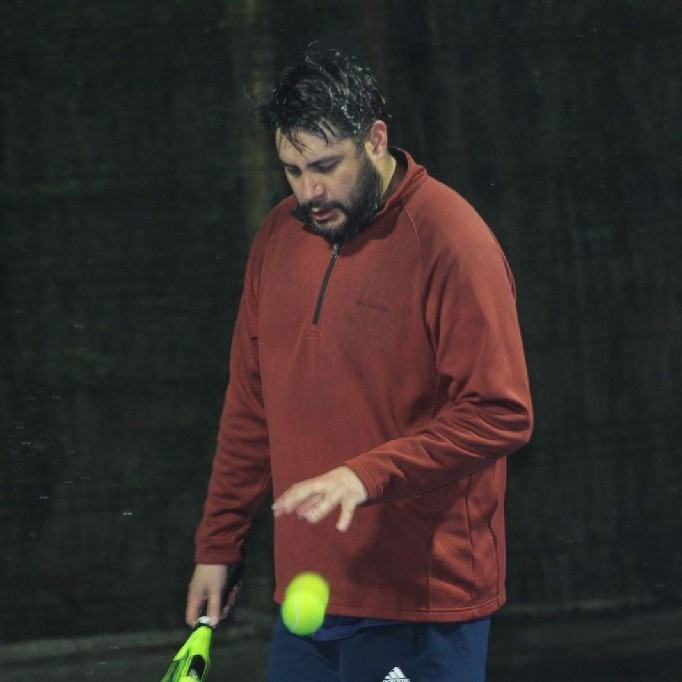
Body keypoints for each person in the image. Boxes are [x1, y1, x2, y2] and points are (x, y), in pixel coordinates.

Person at [185, 45, 533, 682]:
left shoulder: (451, 240)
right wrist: (219, 544)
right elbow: (251, 407)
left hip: (422, 600)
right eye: (292, 170)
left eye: (326, 166)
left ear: (375, 139)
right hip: (309, 600)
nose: (309, 191)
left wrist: (364, 476)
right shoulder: (277, 237)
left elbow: (500, 413)